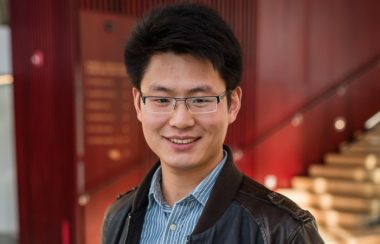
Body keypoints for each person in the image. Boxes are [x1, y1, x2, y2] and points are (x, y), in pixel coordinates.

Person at [102, 3, 324, 244]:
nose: (181, 120)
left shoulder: (281, 231)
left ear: (233, 104)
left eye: (200, 99)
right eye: (162, 99)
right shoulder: (119, 216)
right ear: (138, 104)